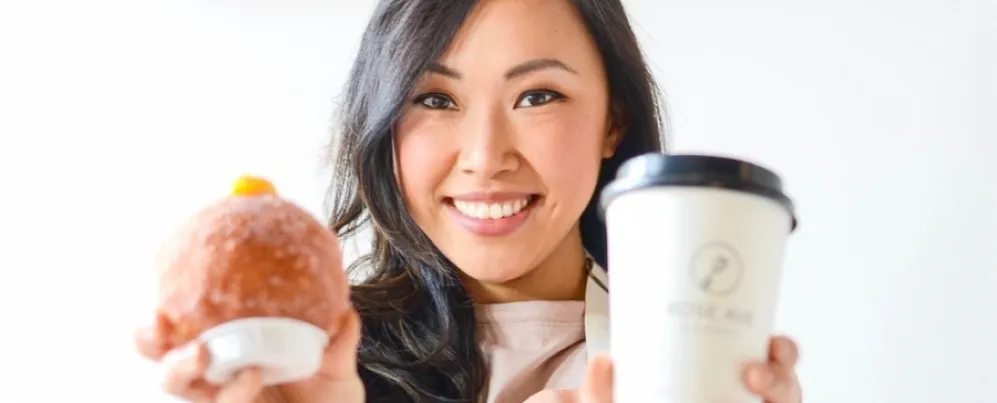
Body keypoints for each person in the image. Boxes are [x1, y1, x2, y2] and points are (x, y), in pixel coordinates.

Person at [138, 0, 805, 402]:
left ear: (612, 120)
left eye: (537, 96)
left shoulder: (693, 367)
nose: (485, 155)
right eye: (435, 100)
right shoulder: (309, 366)